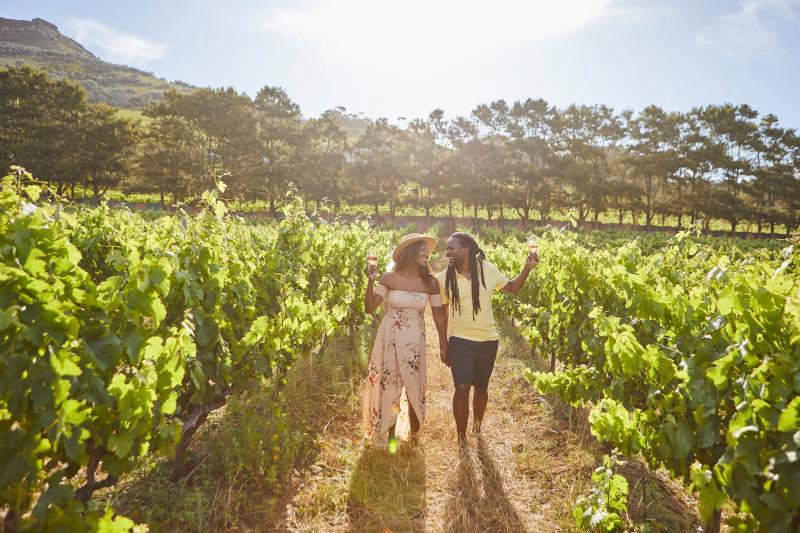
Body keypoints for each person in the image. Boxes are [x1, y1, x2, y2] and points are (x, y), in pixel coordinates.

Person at [435, 232, 538, 446]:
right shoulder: (444, 277)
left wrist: (527, 268)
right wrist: (443, 345)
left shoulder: (487, 270)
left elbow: (512, 287)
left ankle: (477, 427)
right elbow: (441, 313)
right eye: (447, 248)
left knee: (481, 387)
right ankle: (462, 439)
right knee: (462, 387)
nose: (447, 252)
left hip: (487, 341)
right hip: (460, 340)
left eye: (451, 248)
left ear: (466, 249)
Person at [362, 233, 448, 450]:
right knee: (390, 387)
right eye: (422, 251)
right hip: (389, 339)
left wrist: (443, 344)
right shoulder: (389, 278)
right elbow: (370, 307)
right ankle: (391, 439)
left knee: (414, 388)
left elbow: (439, 315)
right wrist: (370, 281)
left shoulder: (431, 283)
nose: (426, 255)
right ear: (410, 253)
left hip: (414, 342)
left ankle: (415, 439)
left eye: (427, 252)